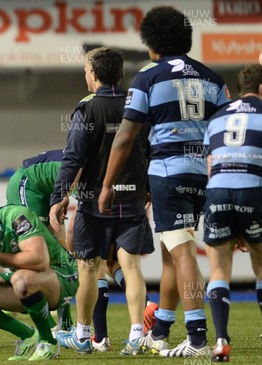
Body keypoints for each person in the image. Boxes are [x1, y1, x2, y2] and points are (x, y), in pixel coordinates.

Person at [98, 6, 231, 358]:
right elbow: (223, 133)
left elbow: (126, 136)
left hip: (168, 172)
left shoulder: (147, 77)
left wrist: (109, 183)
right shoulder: (214, 79)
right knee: (174, 251)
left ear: (150, 42)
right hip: (205, 175)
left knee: (182, 250)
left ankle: (198, 337)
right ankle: (160, 331)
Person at [49, 47, 153, 356]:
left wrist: (59, 197)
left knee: (89, 268)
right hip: (132, 197)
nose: (85, 74)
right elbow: (148, 151)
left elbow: (73, 158)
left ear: (94, 74)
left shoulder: (87, 109)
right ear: (119, 75)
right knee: (131, 266)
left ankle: (83, 334)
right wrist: (147, 190)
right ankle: (136, 336)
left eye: (85, 70)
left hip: (95, 201)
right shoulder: (139, 106)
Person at [0, 206, 78, 361]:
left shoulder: (17, 217)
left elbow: (40, 261)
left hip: (63, 276)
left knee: (21, 280)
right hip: (26, 280)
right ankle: (28, 335)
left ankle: (48, 341)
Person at [202, 63, 262, 362]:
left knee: (218, 272)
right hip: (253, 190)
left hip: (217, 192)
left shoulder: (216, 117)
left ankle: (222, 340)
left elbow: (210, 167)